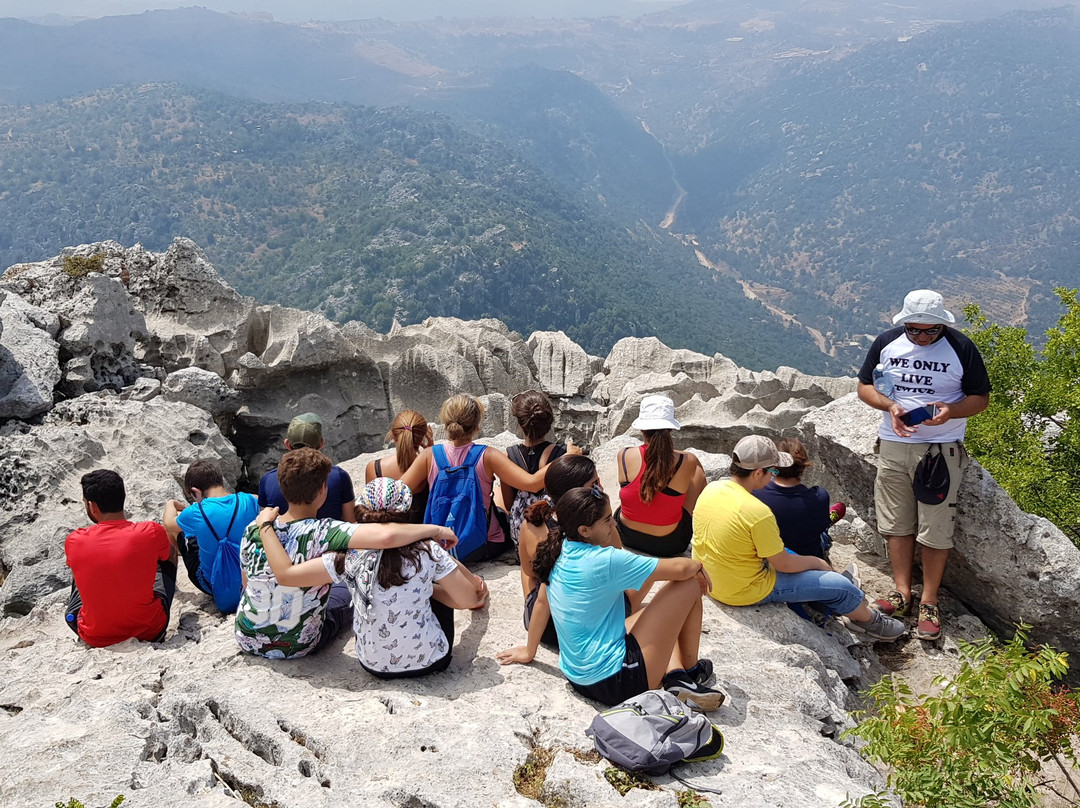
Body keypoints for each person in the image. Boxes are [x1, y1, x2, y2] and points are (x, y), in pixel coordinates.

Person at [497, 486, 724, 711]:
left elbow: (541, 602)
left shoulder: (557, 549)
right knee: (690, 583)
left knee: (650, 612)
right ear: (585, 530)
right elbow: (680, 568)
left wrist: (529, 651)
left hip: (579, 676)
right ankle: (692, 671)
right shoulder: (605, 559)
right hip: (621, 680)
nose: (614, 523)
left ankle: (676, 676)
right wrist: (698, 566)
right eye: (607, 520)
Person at [857, 289, 991, 640]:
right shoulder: (887, 342)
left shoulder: (961, 348)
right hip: (894, 443)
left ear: (943, 324)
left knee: (935, 527)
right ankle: (902, 592)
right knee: (896, 521)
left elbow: (980, 399)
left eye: (931, 330)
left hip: (940, 449)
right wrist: (889, 406)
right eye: (914, 330)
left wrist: (951, 411)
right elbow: (864, 386)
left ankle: (929, 602)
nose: (922, 336)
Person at [235, 449, 459, 659]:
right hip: (298, 645)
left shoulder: (254, 529)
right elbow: (386, 536)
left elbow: (246, 583)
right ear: (323, 489)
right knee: (350, 589)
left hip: (247, 637)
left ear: (283, 489)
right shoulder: (325, 531)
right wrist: (435, 529)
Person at [254, 478, 485, 678]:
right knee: (435, 589)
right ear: (406, 509)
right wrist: (436, 580)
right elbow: (467, 600)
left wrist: (265, 526)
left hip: (372, 665)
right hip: (431, 662)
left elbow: (290, 576)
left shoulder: (347, 555)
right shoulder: (426, 550)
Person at [692, 435, 906, 642]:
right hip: (743, 590)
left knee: (800, 560)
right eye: (772, 470)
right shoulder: (757, 512)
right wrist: (818, 563)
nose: (773, 476)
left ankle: (826, 600)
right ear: (758, 473)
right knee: (840, 586)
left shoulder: (713, 488)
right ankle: (868, 621)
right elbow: (783, 564)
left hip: (713, 582)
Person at [400, 394, 576, 563]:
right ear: (477, 425)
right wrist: (566, 458)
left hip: (439, 545)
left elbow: (397, 493)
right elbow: (531, 483)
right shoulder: (487, 455)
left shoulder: (429, 455)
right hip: (482, 546)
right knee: (498, 500)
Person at [64, 469, 178, 647]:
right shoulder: (151, 531)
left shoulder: (74, 540)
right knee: (166, 555)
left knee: (80, 569)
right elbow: (169, 554)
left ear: (92, 506)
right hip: (150, 630)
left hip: (94, 636)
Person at [515, 454, 612, 650]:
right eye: (594, 484)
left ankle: (529, 605)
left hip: (546, 630)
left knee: (533, 574)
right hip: (586, 629)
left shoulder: (532, 523)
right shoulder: (597, 526)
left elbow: (528, 572)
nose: (600, 488)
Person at [163, 459, 259, 613]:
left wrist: (171, 503)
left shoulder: (196, 512)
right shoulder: (250, 500)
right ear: (220, 481)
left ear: (195, 491)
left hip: (211, 583)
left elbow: (168, 524)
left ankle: (176, 564)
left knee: (178, 528)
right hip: (251, 577)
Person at [615, 395, 706, 557]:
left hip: (627, 536)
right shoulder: (687, 460)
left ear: (642, 429)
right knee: (696, 472)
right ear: (670, 430)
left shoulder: (623, 455)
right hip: (669, 544)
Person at [752, 438, 845, 561]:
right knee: (828, 524)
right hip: (809, 556)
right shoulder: (820, 496)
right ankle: (827, 519)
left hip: (771, 557)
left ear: (773, 465)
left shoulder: (756, 494)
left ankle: (826, 519)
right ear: (804, 465)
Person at [258, 412, 357, 522]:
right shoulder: (339, 476)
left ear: (287, 444)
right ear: (321, 443)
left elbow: (265, 519)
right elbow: (350, 521)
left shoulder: (267, 480)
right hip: (332, 538)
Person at [500, 390, 569, 545]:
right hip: (555, 539)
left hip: (522, 539)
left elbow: (509, 504)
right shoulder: (562, 453)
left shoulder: (509, 456)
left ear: (519, 423)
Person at [364, 409, 433, 523]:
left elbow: (372, 512)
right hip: (426, 535)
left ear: (393, 436)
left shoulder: (374, 468)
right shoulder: (430, 465)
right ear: (422, 438)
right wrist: (430, 453)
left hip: (390, 538)